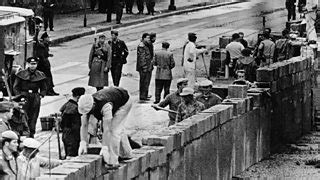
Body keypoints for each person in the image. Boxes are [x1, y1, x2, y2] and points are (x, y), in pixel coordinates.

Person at [78, 87, 133, 168]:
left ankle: (113, 162)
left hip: (124, 102)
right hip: (114, 97)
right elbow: (84, 125)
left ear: (93, 105)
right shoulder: (84, 105)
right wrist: (83, 142)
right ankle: (126, 153)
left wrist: (105, 148)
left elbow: (107, 129)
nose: (88, 113)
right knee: (117, 127)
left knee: (114, 130)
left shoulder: (105, 106)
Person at [13, 57, 47, 138]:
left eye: (34, 64)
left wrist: (41, 95)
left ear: (37, 64)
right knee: (23, 114)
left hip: (35, 96)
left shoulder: (40, 75)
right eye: (31, 64)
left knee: (34, 115)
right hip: (24, 96)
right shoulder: (21, 74)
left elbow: (44, 87)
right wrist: (19, 96)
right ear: (28, 64)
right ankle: (23, 132)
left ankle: (32, 133)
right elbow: (16, 87)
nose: (33, 66)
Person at [60, 87, 85, 158]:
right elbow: (74, 125)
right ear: (78, 97)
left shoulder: (67, 104)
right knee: (71, 156)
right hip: (72, 136)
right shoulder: (73, 108)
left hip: (67, 134)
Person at [35, 32, 59, 96]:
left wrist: (48, 55)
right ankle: (48, 91)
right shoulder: (41, 45)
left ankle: (51, 90)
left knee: (49, 78)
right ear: (44, 38)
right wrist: (45, 62)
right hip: (43, 65)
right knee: (47, 78)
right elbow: (41, 55)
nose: (49, 38)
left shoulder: (45, 44)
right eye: (47, 37)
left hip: (45, 64)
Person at [136, 33, 153, 101]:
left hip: (148, 66)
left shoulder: (146, 44)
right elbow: (142, 58)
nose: (149, 40)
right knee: (144, 82)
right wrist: (144, 67)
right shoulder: (142, 46)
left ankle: (145, 94)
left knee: (147, 81)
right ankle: (143, 96)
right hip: (144, 67)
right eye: (147, 38)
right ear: (144, 38)